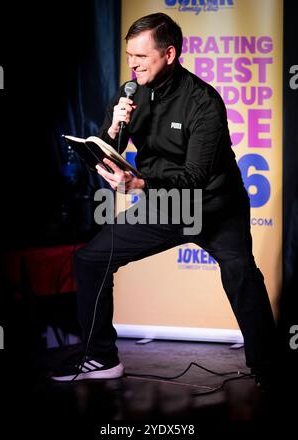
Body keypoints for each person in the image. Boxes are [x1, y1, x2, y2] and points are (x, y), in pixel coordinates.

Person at [52, 13, 276, 388]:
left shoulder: (203, 103)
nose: (133, 65)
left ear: (169, 54)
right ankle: (102, 356)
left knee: (241, 274)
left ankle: (269, 366)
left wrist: (137, 183)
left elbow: (194, 178)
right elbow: (112, 149)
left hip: (215, 205)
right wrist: (111, 129)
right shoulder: (130, 92)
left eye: (142, 56)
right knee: (90, 260)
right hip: (165, 201)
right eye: (129, 56)